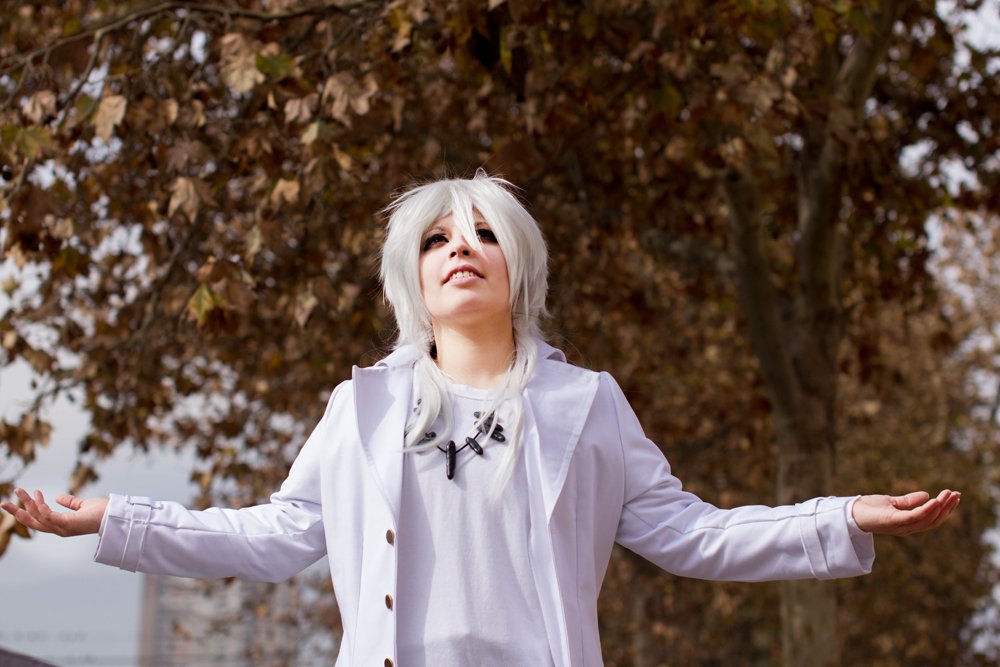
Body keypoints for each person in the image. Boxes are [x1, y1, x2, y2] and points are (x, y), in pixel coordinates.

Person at [1, 171, 960, 667]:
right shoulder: (360, 407)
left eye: (485, 234)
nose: (461, 249)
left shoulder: (586, 405)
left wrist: (839, 517)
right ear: (412, 275)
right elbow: (274, 534)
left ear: (518, 266)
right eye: (437, 240)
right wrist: (111, 518)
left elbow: (693, 533)